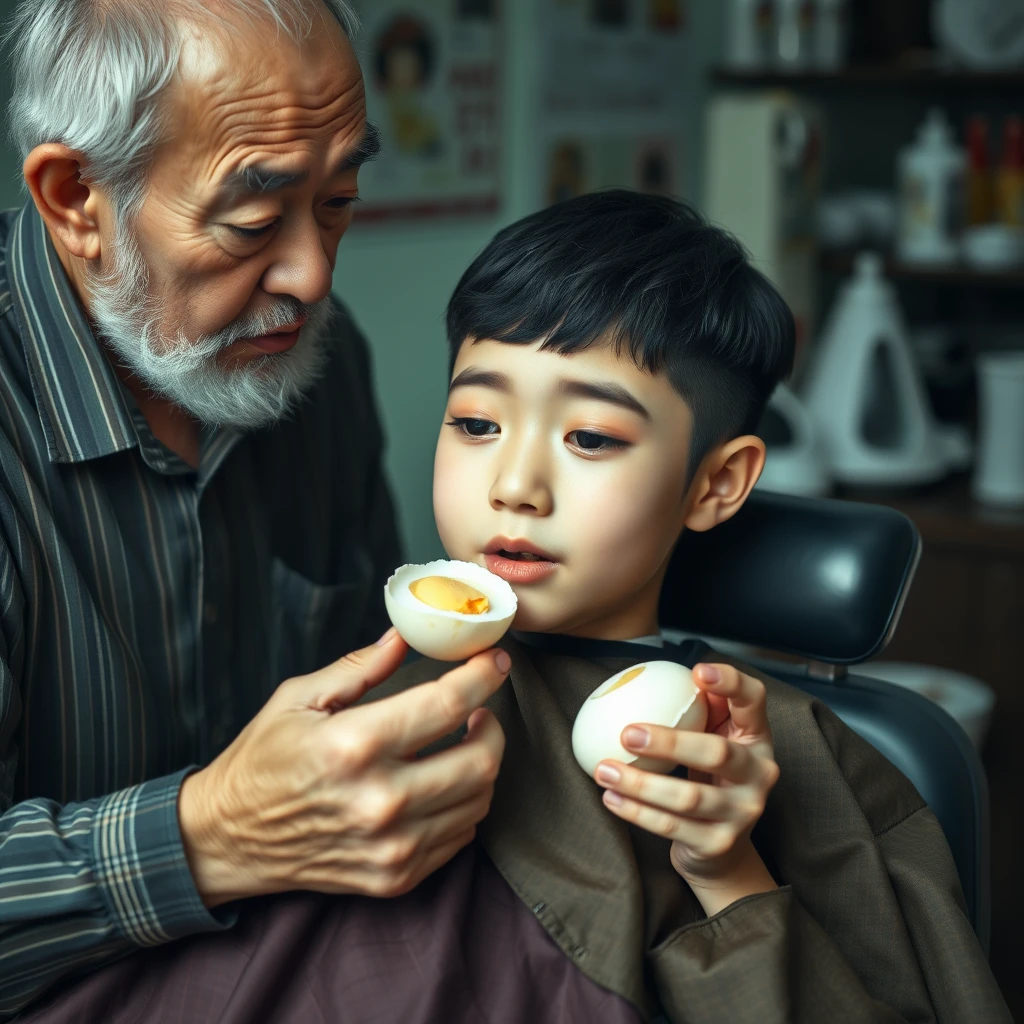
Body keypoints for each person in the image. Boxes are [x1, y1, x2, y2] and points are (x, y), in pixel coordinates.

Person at [19, 192, 1011, 1023]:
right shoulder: (356, 704)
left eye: (589, 438)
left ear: (716, 483)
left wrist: (725, 873)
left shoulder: (781, 758)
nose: (515, 486)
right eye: (477, 422)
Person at [0, 0, 512, 1018]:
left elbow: (377, 690)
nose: (313, 275)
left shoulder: (317, 361)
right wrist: (203, 835)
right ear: (76, 199)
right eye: (251, 219)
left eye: (338, 200)